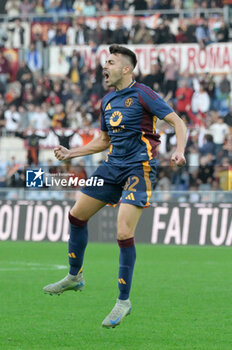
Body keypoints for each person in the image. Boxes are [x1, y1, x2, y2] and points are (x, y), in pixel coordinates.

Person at [43, 45, 187, 328]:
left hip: (139, 167)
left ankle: (123, 300)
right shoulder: (107, 100)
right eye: (104, 62)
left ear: (126, 68)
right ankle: (75, 276)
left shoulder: (143, 94)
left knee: (123, 230)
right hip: (111, 166)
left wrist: (180, 150)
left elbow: (178, 122)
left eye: (110, 62)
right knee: (76, 215)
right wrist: (72, 153)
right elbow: (104, 140)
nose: (104, 67)